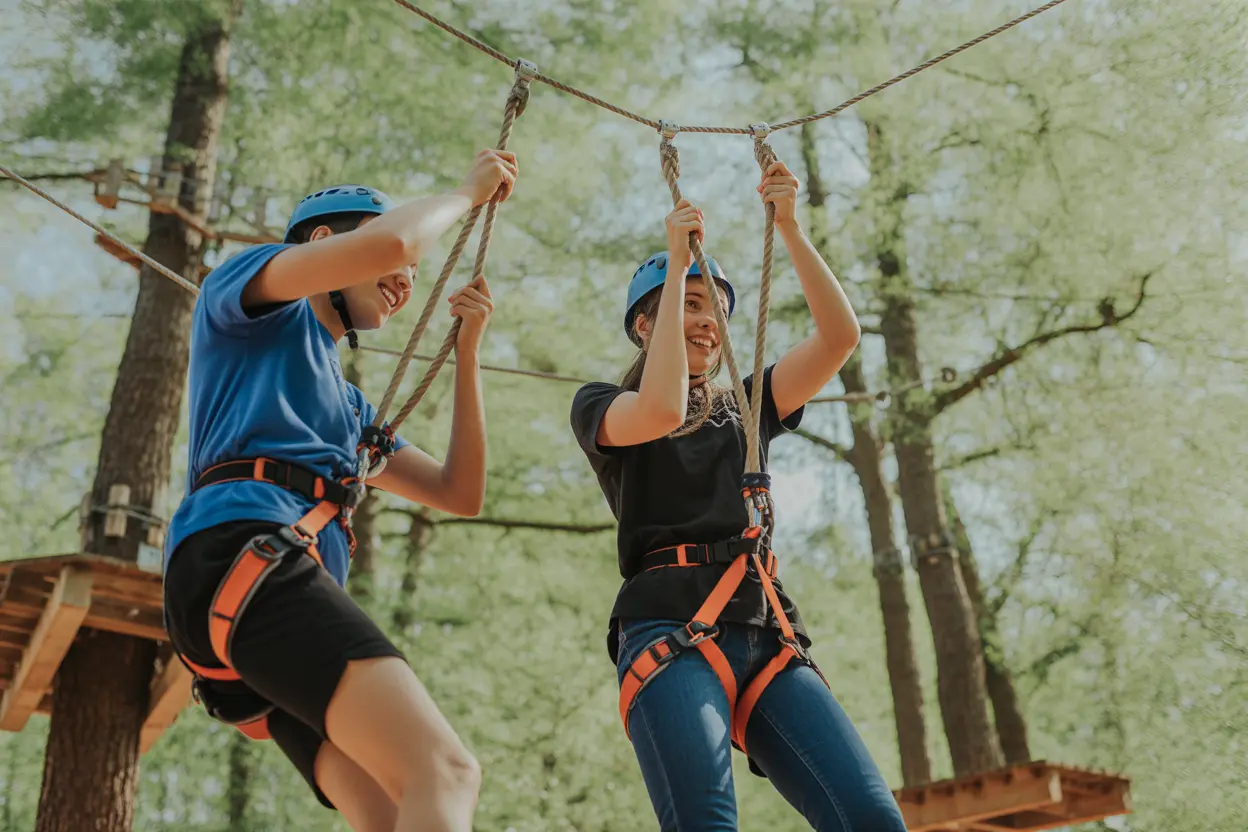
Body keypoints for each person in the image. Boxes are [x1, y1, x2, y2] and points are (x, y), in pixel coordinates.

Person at [162, 148, 518, 832]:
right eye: (400, 270)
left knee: (391, 811)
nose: (407, 278)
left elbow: (459, 490)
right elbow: (390, 240)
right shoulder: (249, 297)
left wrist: (468, 353)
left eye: (413, 274)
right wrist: (466, 193)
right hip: (247, 552)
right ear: (326, 243)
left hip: (246, 586)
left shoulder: (348, 409)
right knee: (446, 771)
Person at [569, 161, 907, 831]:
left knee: (871, 818)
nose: (709, 323)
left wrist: (790, 227)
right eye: (690, 305)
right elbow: (662, 409)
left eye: (717, 310)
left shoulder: (746, 407)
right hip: (668, 624)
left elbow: (840, 338)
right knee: (706, 822)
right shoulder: (601, 405)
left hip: (764, 627)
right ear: (646, 324)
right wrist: (675, 260)